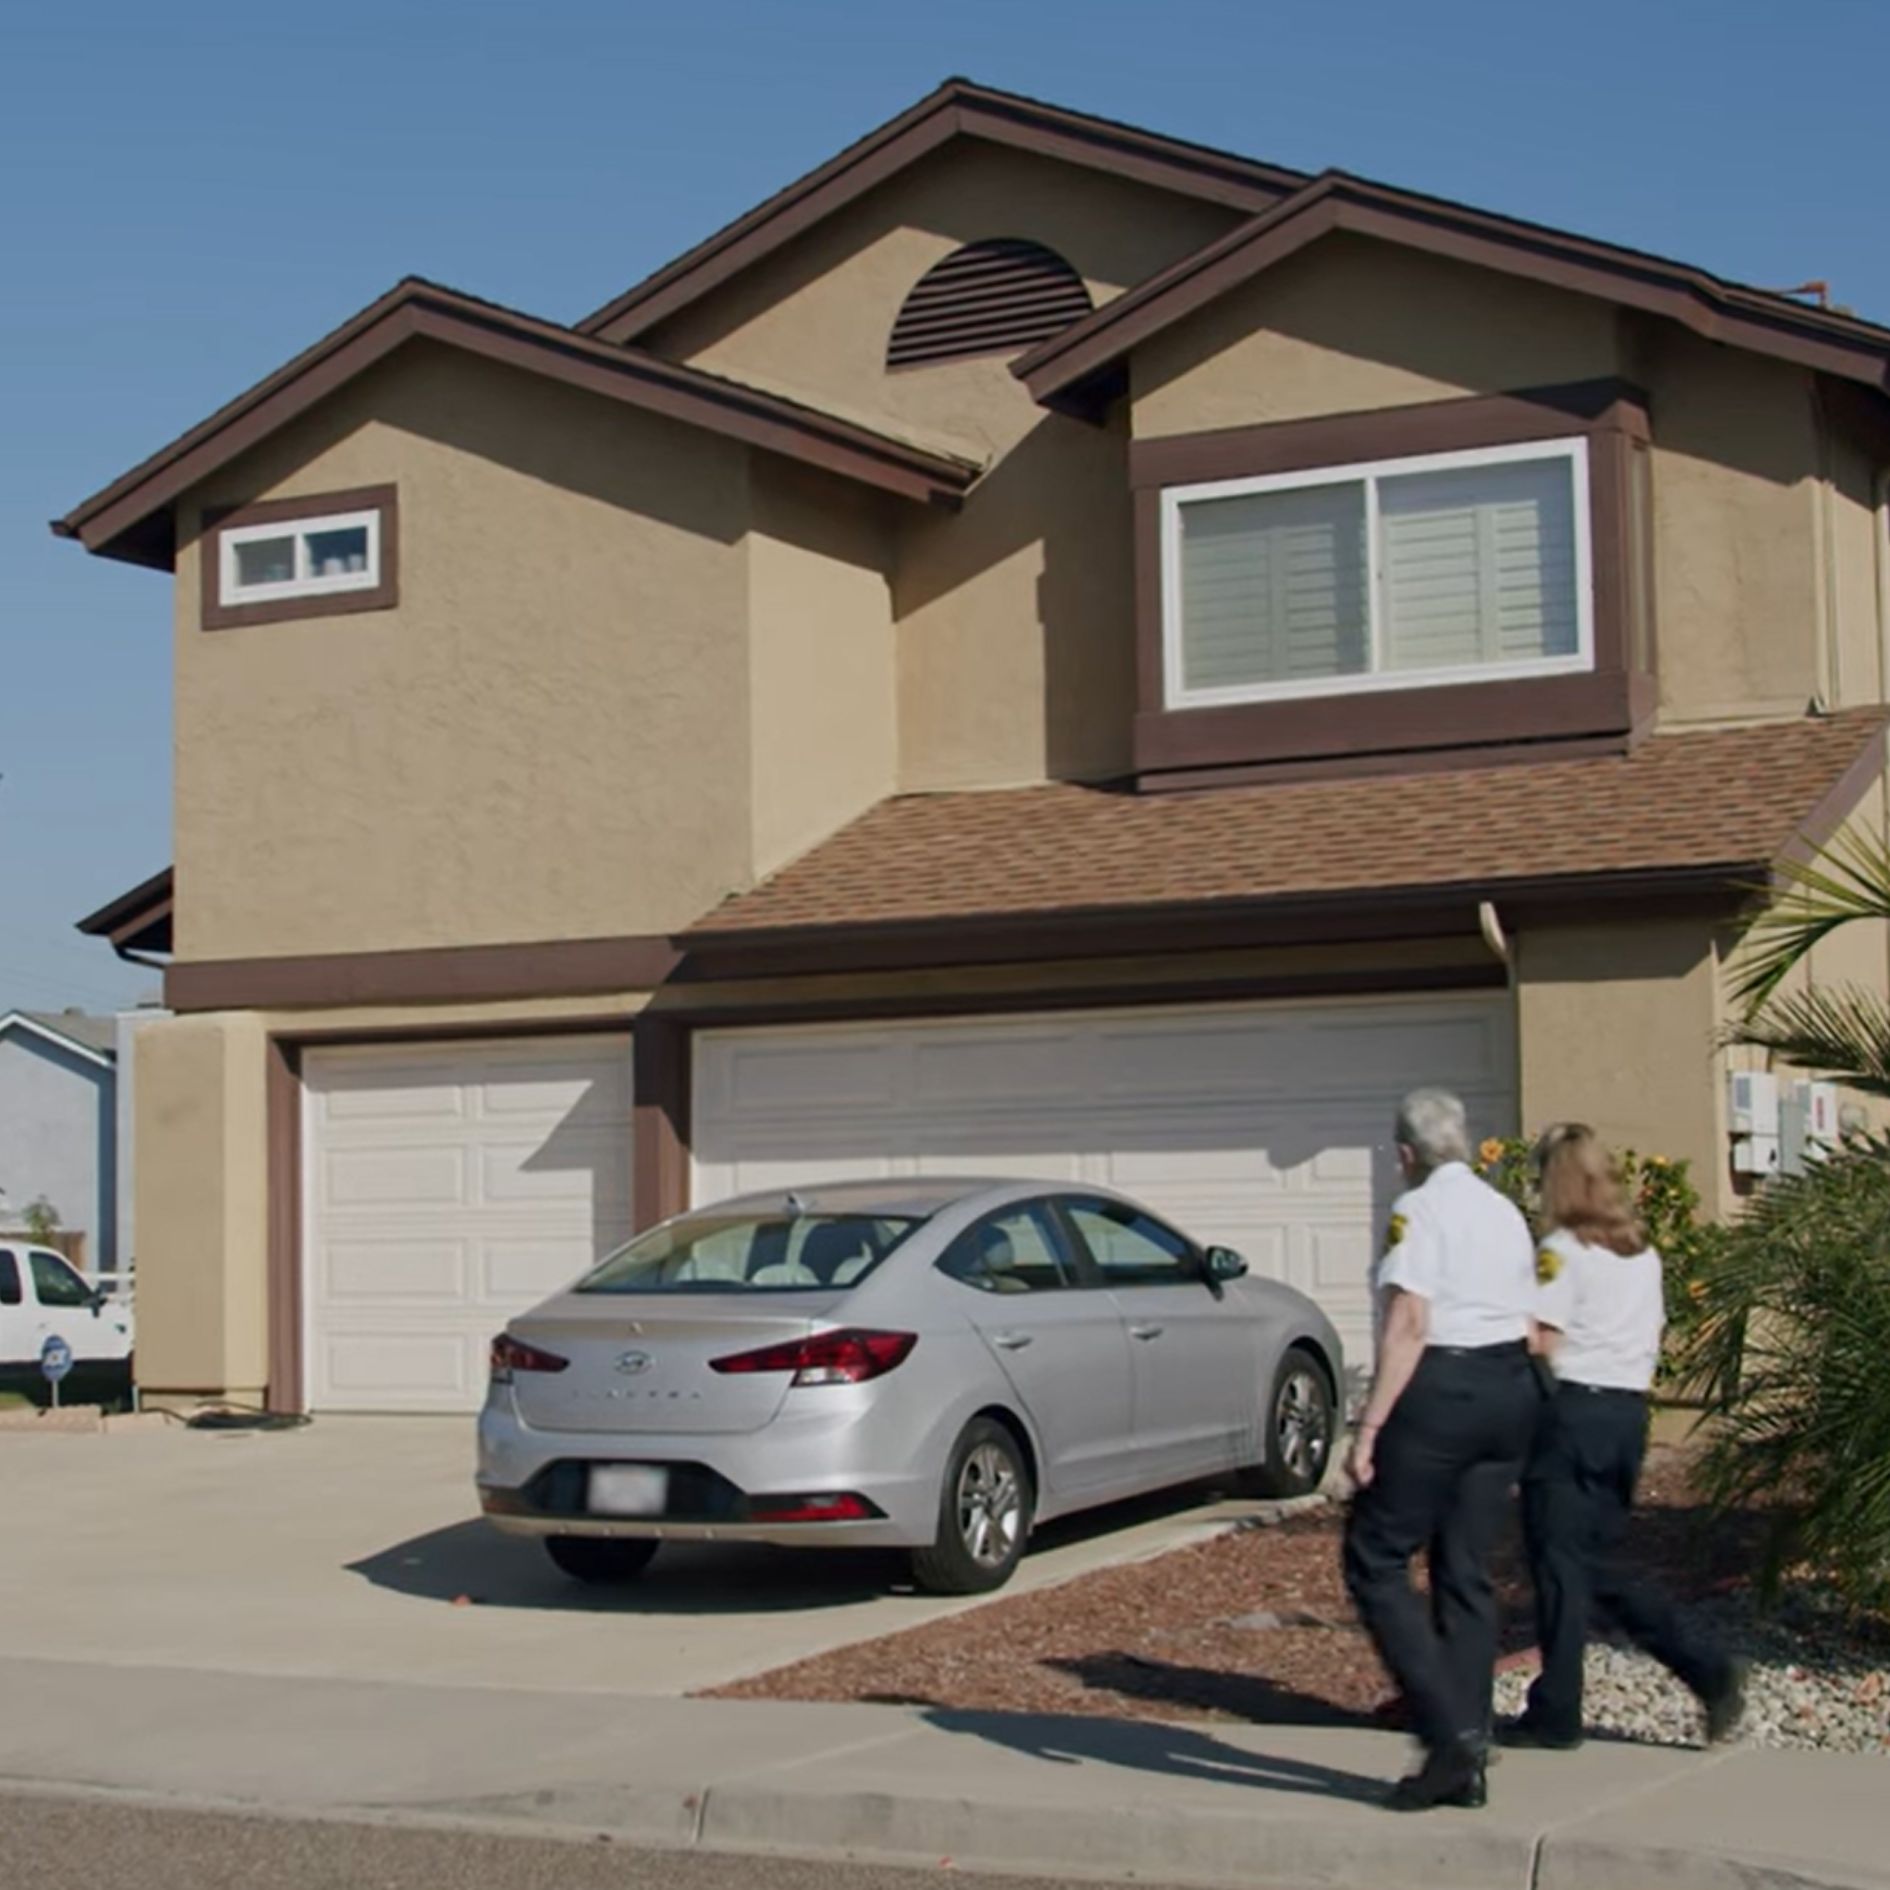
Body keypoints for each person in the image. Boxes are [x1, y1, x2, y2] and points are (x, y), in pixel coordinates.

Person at [1506, 1123, 1745, 1750]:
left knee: (1559, 1565)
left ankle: (1561, 1710)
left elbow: (1542, 1338)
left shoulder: (1560, 1250)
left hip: (1572, 1415)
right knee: (1591, 1564)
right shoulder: (1641, 1253)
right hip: (1624, 1418)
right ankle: (1698, 1667)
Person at [1344, 1088, 1541, 1811]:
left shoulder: (1419, 1210)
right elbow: (1529, 1318)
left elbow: (1410, 1322)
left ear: (1404, 1154)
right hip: (1510, 1390)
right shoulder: (1504, 1211)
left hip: (1445, 1390)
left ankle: (1447, 1737)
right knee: (1464, 1571)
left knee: (1375, 1558)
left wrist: (1369, 1429)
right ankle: (1472, 1743)